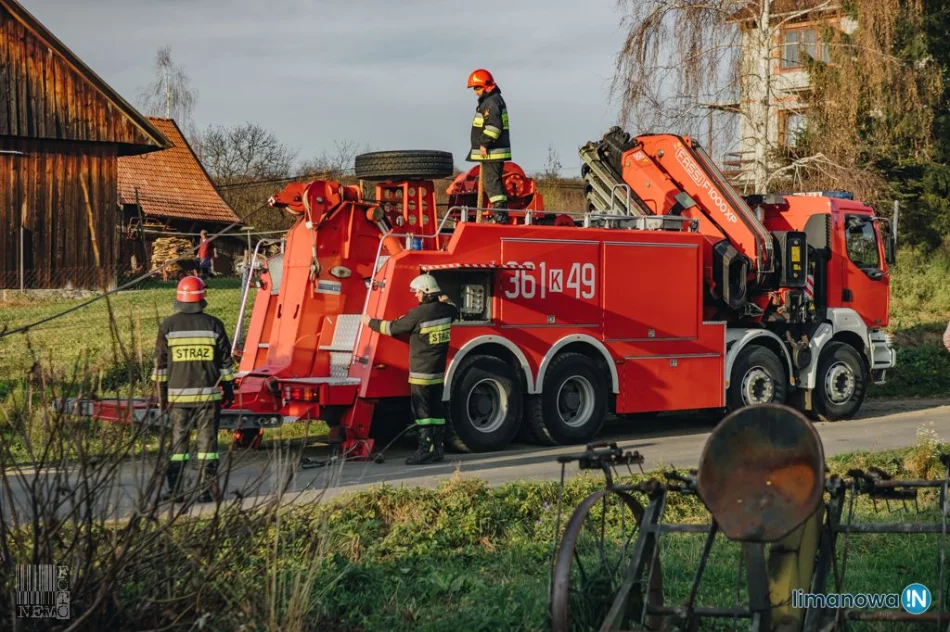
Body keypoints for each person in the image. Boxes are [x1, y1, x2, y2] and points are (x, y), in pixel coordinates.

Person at [153, 275, 235, 502]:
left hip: (178, 399)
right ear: (202, 297)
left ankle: (175, 492)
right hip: (208, 398)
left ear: (179, 298)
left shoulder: (168, 326)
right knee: (207, 446)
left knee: (178, 445)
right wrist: (229, 390)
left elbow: (160, 365)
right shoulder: (214, 325)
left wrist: (161, 396)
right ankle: (205, 491)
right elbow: (225, 363)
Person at [361, 274, 459, 464]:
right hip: (438, 372)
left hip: (421, 373)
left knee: (422, 413)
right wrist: (447, 299)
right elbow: (453, 308)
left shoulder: (418, 314)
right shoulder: (448, 311)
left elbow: (392, 328)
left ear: (427, 292)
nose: (416, 295)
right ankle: (437, 449)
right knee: (437, 410)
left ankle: (425, 450)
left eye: (418, 292)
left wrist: (369, 322)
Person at [466, 68, 512, 212]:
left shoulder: (491, 102)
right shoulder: (491, 100)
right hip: (492, 152)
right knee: (491, 183)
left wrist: (484, 144)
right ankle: (499, 215)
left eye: (477, 88)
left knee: (492, 184)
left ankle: (500, 217)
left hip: (492, 152)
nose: (475, 92)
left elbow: (494, 127)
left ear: (486, 86)